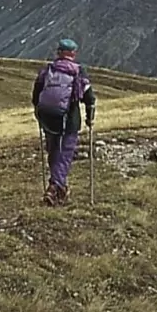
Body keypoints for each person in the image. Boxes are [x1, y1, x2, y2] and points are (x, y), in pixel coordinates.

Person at [32, 37, 97, 206]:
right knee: (65, 154)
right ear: (73, 54)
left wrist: (38, 113)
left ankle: (60, 190)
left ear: (59, 53)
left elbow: (36, 93)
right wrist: (90, 117)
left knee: (54, 152)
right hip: (69, 120)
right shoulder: (78, 71)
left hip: (48, 119)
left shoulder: (48, 70)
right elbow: (89, 98)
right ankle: (54, 188)